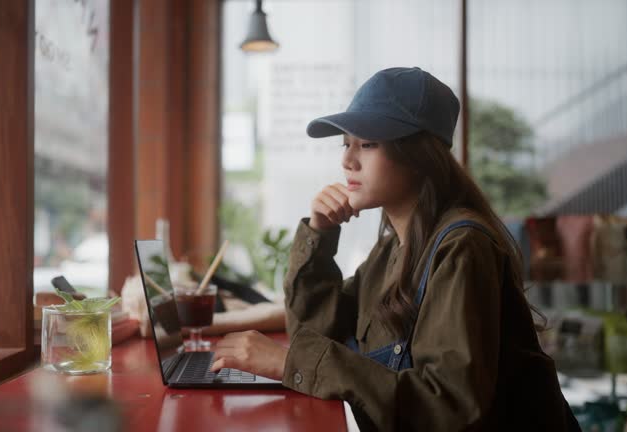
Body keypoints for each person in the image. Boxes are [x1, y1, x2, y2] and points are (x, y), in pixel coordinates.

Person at [210, 67, 580, 431]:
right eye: (346, 143)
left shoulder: (462, 247)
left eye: (367, 144)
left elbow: (449, 406)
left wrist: (289, 361)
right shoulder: (391, 251)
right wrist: (320, 236)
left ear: (419, 154)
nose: (347, 160)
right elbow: (316, 330)